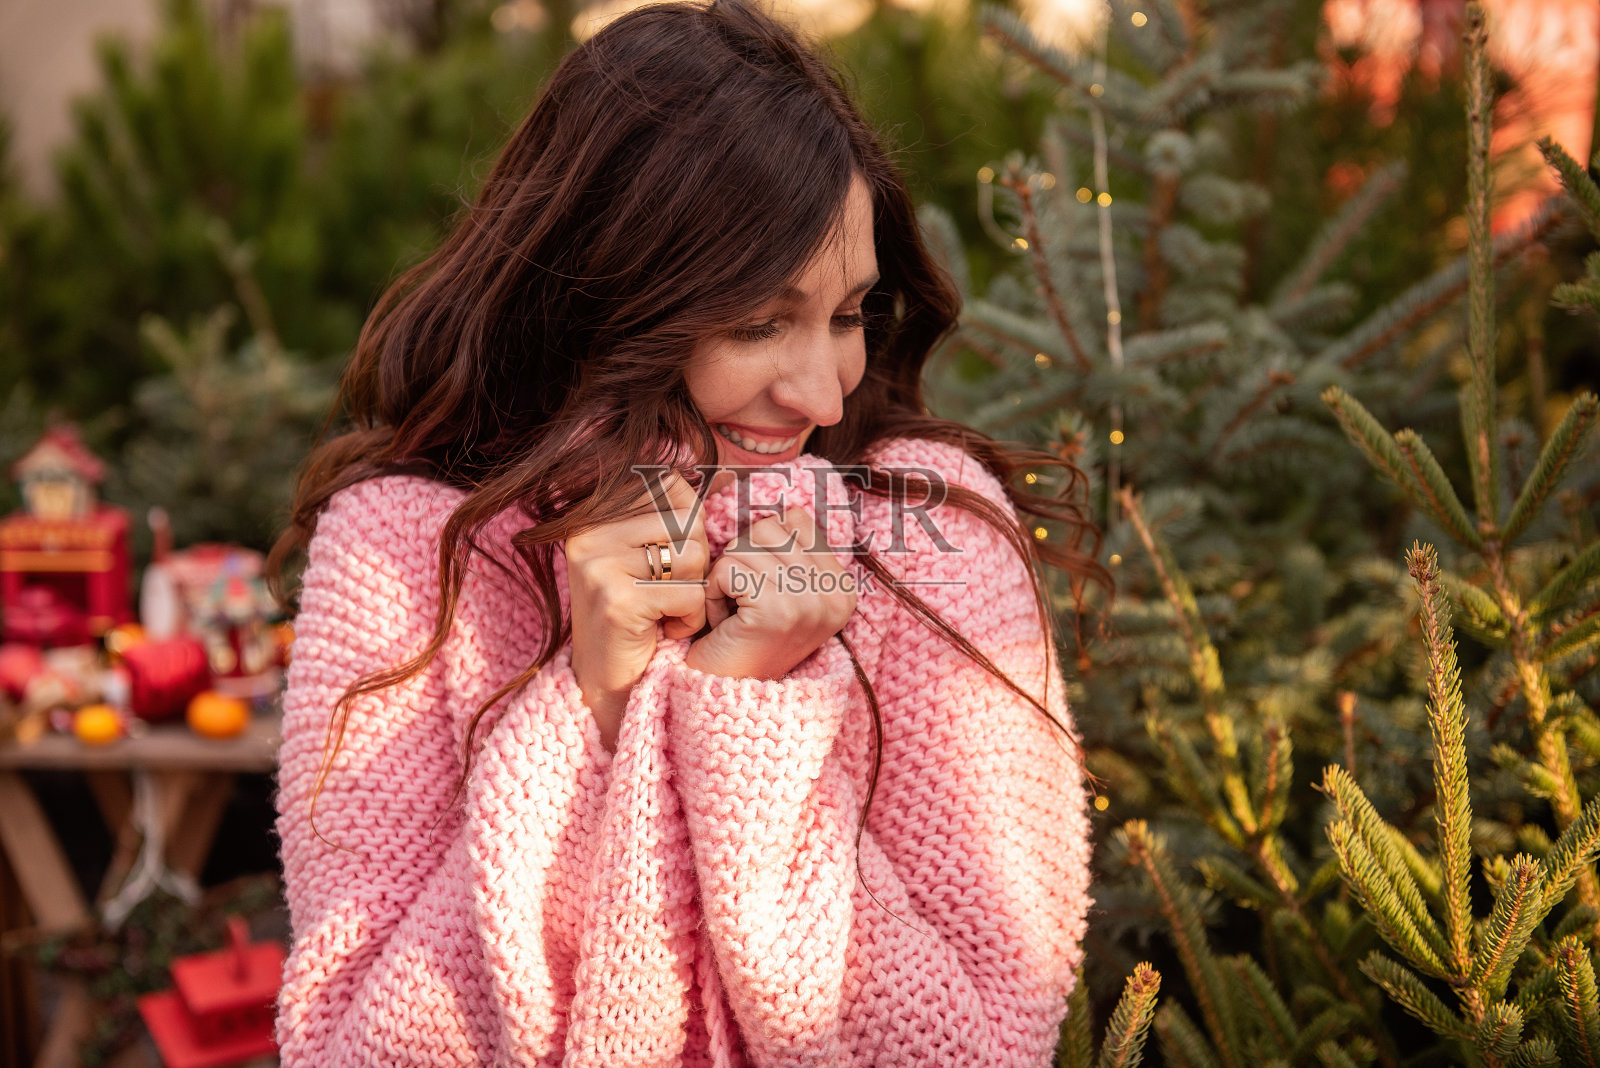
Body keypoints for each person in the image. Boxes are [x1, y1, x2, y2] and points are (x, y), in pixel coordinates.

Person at [270, 1, 1101, 1064]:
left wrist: (755, 706)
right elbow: (358, 1046)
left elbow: (980, 1041)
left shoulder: (931, 541)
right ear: (612, 296)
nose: (821, 394)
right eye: (759, 323)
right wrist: (591, 709)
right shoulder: (400, 554)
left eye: (846, 315)